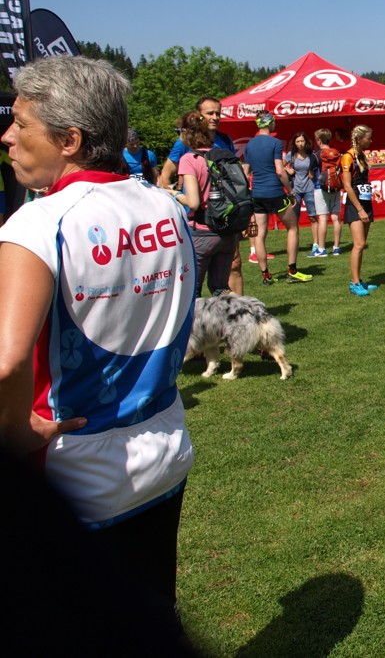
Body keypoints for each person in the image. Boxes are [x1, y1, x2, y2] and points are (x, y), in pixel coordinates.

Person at [0, 56, 194, 633]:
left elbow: (7, 361)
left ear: (70, 140)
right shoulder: (165, 206)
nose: (7, 136)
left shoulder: (38, 223)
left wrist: (14, 436)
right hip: (164, 451)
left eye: (21, 123)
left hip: (73, 472)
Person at [158, 96, 243, 295]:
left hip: (217, 221)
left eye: (218, 113)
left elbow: (236, 180)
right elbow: (165, 175)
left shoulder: (224, 141)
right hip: (203, 222)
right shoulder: (183, 145)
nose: (215, 117)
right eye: (210, 113)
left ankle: (240, 310)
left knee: (231, 267)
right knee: (216, 286)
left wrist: (174, 194)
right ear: (199, 116)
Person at [244, 111, 311, 285]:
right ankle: (292, 271)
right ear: (269, 123)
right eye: (274, 121)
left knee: (260, 235)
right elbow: (280, 171)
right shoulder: (275, 143)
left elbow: (245, 172)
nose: (276, 124)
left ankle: (266, 276)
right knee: (293, 227)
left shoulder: (250, 144)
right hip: (274, 192)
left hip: (257, 194)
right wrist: (291, 191)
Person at [177, 109, 240, 297]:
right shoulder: (224, 155)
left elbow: (193, 202)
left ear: (187, 133)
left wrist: (175, 194)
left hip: (203, 231)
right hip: (228, 231)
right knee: (221, 289)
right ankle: (244, 313)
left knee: (192, 292)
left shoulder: (190, 159)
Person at [340, 125, 377, 297]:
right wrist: (360, 209)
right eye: (368, 138)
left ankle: (358, 279)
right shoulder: (348, 157)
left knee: (361, 245)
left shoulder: (361, 155)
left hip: (365, 201)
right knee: (359, 244)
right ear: (359, 139)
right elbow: (348, 186)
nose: (370, 141)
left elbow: (361, 181)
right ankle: (354, 283)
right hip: (355, 205)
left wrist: (373, 190)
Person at [284, 131, 322, 256]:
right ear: (294, 143)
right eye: (298, 141)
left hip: (309, 189)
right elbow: (280, 166)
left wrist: (313, 172)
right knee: (294, 219)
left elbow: (317, 168)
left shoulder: (311, 155)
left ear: (306, 142)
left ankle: (316, 244)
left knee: (312, 217)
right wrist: (288, 170)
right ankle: (294, 243)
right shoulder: (291, 155)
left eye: (302, 141)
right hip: (296, 190)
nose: (300, 144)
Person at [314, 127, 344, 256]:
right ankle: (336, 247)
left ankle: (321, 249)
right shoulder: (336, 153)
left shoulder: (316, 155)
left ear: (319, 140)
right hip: (336, 187)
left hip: (320, 188)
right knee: (336, 218)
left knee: (323, 219)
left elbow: (311, 173)